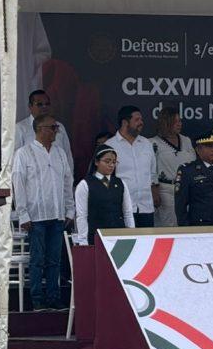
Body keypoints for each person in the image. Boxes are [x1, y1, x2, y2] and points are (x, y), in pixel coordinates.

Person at [12, 114, 75, 311]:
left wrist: (70, 209)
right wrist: (23, 214)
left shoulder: (60, 153)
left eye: (56, 127)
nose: (56, 131)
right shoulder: (24, 153)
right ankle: (37, 299)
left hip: (57, 214)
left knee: (54, 260)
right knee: (37, 260)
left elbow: (68, 181)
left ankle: (54, 297)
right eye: (53, 127)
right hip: (35, 216)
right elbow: (18, 184)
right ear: (40, 129)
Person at [106, 105, 159, 227]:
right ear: (125, 122)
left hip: (146, 207)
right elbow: (105, 178)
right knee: (124, 239)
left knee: (146, 239)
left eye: (141, 119)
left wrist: (155, 193)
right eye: (137, 120)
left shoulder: (146, 144)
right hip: (121, 207)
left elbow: (153, 173)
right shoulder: (110, 145)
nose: (141, 123)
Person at [73, 145, 134, 246]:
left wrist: (131, 236)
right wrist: (83, 241)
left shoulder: (120, 183)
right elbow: (82, 216)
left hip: (119, 237)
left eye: (114, 162)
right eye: (107, 161)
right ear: (96, 162)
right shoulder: (85, 185)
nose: (111, 165)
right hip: (96, 237)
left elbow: (127, 213)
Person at [149, 106, 196, 227]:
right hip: (166, 190)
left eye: (180, 121)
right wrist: (154, 191)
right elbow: (150, 170)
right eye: (175, 122)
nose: (179, 124)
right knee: (168, 226)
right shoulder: (152, 143)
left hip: (187, 189)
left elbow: (194, 164)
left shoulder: (186, 140)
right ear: (166, 123)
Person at [15, 90, 74, 174]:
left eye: (47, 104)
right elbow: (15, 161)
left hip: (58, 179)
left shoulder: (59, 127)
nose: (44, 107)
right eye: (39, 104)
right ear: (30, 106)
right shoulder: (20, 128)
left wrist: (68, 178)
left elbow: (68, 156)